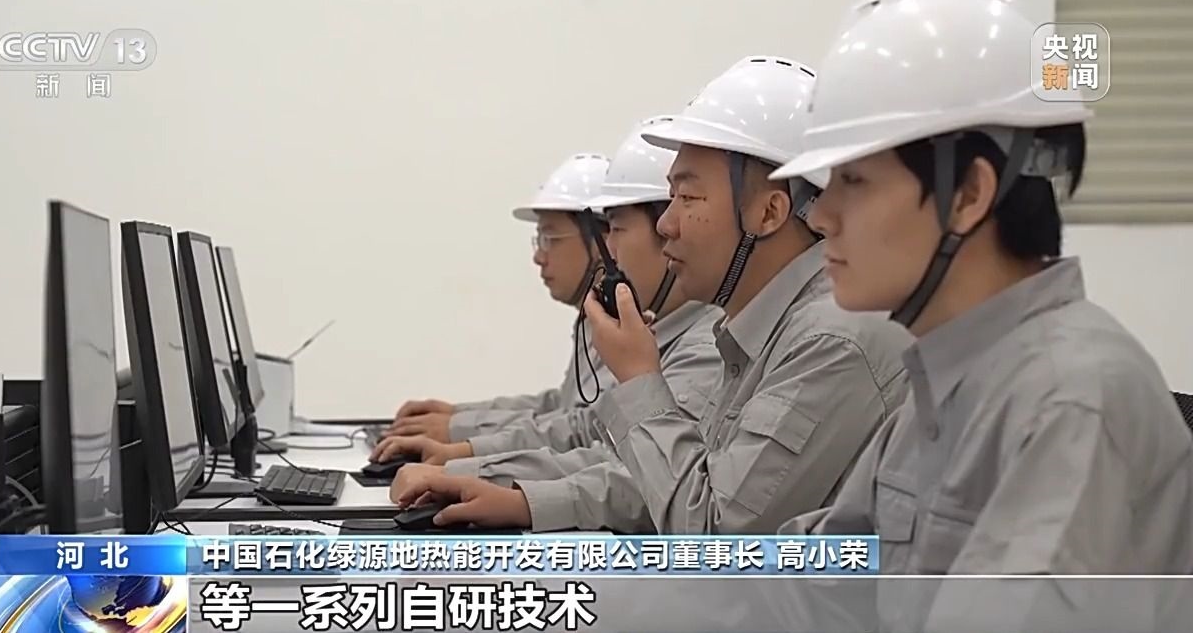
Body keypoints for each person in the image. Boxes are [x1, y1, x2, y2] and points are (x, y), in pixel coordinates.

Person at [767, 0, 1193, 581]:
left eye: (854, 181)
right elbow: (824, 572)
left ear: (969, 194)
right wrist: (639, 573)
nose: (821, 215)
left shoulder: (1068, 402)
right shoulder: (948, 381)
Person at [397, 57, 913, 534]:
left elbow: (713, 534)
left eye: (688, 197)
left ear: (769, 212)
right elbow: (677, 481)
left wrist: (639, 378)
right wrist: (524, 499)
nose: (668, 225)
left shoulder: (830, 341)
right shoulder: (759, 332)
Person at [376, 118, 725, 533]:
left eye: (615, 229)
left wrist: (475, 468)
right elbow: (579, 420)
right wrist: (461, 435)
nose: (609, 252)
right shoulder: (645, 330)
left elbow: (642, 477)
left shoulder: (705, 348)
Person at [385, 154, 619, 444]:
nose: (538, 257)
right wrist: (458, 415)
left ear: (603, 243)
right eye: (538, 241)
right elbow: (562, 406)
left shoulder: (628, 327)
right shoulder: (596, 319)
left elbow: (583, 430)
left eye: (550, 239)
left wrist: (458, 435)